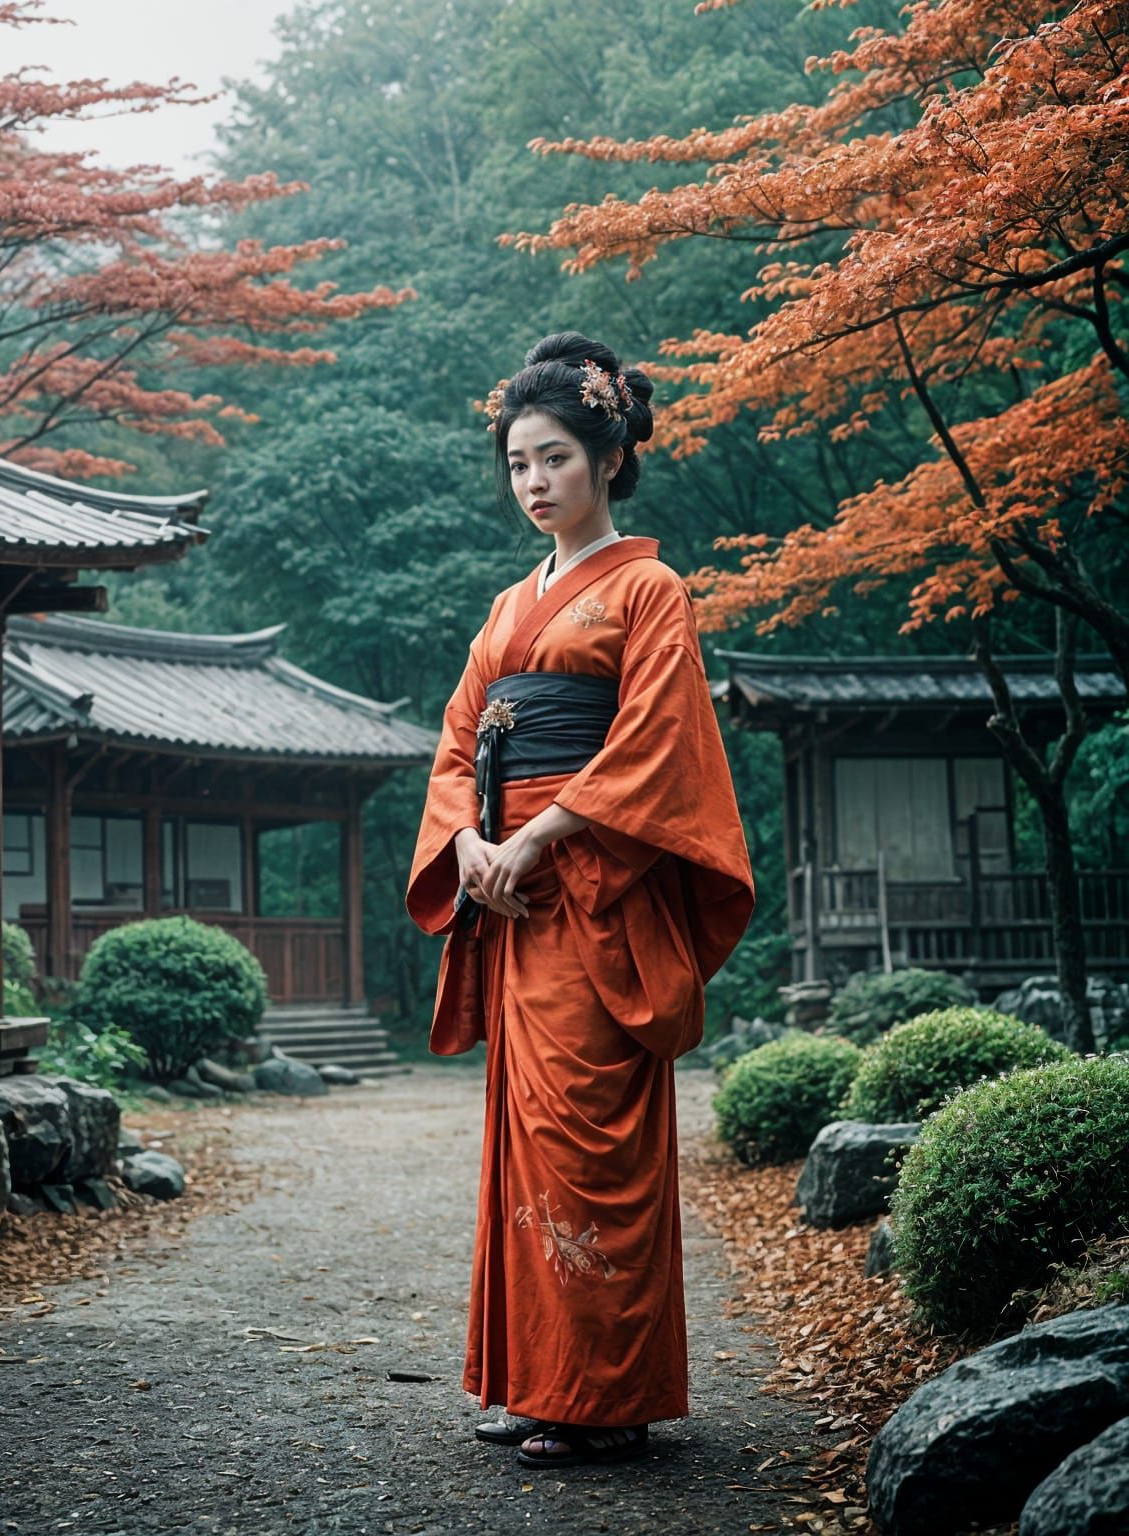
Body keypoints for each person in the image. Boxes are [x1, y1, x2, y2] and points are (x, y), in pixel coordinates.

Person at [406, 331, 754, 1470]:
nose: (534, 481)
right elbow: (458, 743)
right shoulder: (509, 606)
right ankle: (540, 1381)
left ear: (608, 459)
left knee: (590, 1141)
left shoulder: (651, 590)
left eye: (554, 457)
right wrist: (469, 843)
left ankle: (608, 1398)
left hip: (597, 894)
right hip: (512, 903)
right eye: (517, 463)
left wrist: (536, 838)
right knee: (529, 1143)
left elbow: (655, 745)